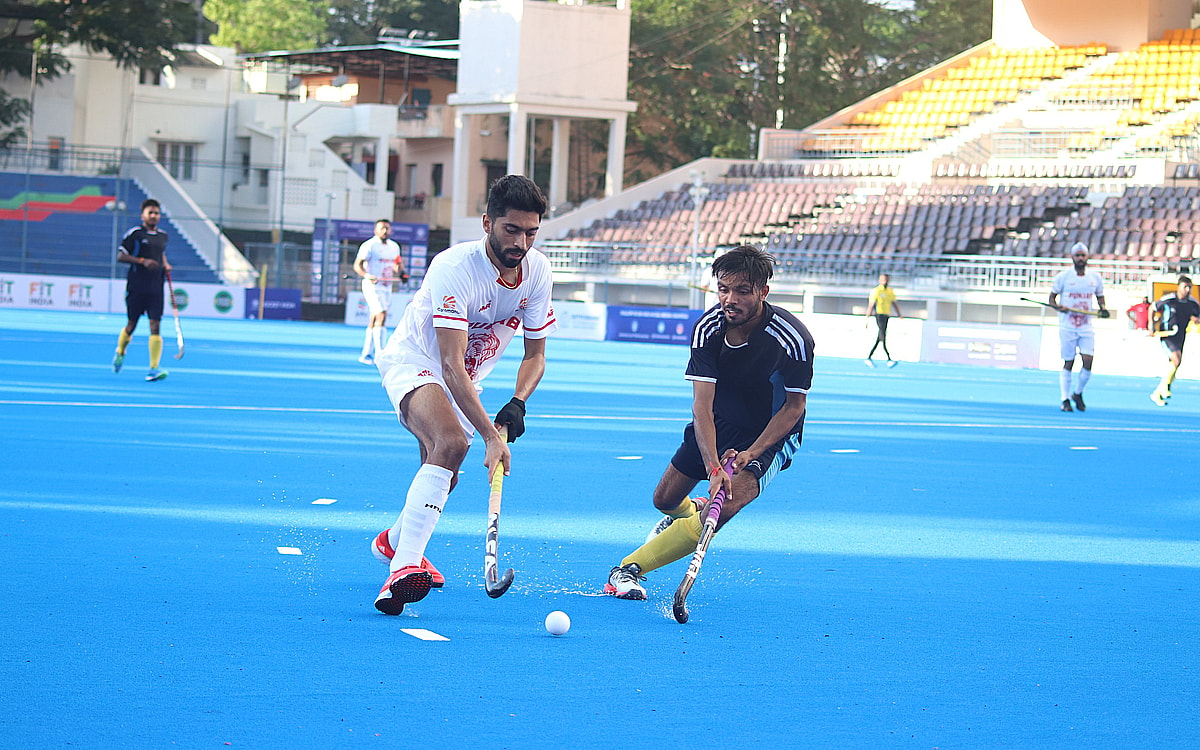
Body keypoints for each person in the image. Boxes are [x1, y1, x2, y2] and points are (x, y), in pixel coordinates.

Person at [368, 175, 557, 615]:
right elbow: (450, 364)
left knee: (444, 473)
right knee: (454, 442)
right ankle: (403, 566)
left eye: (531, 232)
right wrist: (491, 433)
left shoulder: (538, 272)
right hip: (416, 362)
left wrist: (518, 402)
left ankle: (394, 541)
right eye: (512, 230)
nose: (522, 242)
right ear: (488, 222)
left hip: (465, 379)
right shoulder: (454, 268)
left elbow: (536, 354)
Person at [604, 244, 815, 601]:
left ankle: (626, 570)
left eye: (742, 291)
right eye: (723, 288)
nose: (730, 299)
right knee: (664, 499)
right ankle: (686, 516)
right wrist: (714, 465)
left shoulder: (793, 338)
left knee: (727, 504)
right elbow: (701, 407)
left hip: (770, 432)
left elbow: (793, 408)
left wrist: (751, 453)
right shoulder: (708, 328)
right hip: (719, 420)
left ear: (763, 292)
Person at [111, 198, 172, 382]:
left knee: (155, 325)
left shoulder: (163, 236)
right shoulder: (135, 234)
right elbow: (121, 256)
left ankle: (153, 368)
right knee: (132, 325)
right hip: (137, 286)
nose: (154, 216)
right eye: (150, 213)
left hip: (156, 287)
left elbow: (160, 253)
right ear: (143, 215)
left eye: (156, 213)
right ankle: (120, 351)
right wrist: (142, 261)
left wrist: (165, 264)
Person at [1049, 242, 1109, 412]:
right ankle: (1065, 399)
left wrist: (1103, 309)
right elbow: (1052, 299)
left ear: (1087, 257)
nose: (1081, 258)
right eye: (1078, 255)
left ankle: (1078, 392)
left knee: (1088, 360)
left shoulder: (1094, 278)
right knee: (1069, 362)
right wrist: (1058, 306)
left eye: (1083, 255)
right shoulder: (1063, 277)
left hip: (1086, 326)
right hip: (1067, 326)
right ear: (1073, 257)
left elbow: (1100, 296)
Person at [353, 218, 408, 365]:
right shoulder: (369, 245)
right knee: (382, 314)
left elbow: (397, 264)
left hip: (386, 286)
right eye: (382, 228)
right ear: (376, 230)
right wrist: (367, 275)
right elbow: (357, 265)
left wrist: (402, 273)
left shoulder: (394, 246)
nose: (385, 231)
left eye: (387, 228)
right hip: (372, 286)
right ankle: (380, 354)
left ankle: (365, 354)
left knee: (374, 318)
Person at [1150, 276, 1200, 406]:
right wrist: (1151, 325)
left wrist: (1196, 320)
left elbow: (1197, 316)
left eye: (1190, 287)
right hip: (1167, 334)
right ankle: (1166, 387)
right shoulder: (1169, 300)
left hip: (1181, 336)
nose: (1188, 290)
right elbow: (1152, 308)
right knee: (1176, 359)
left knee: (1175, 363)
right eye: (1185, 287)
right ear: (1178, 287)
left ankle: (1158, 392)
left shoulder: (1193, 303)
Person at [864, 273, 902, 368]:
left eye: (886, 279)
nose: (885, 281)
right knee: (882, 335)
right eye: (883, 279)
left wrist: (899, 314)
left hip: (886, 315)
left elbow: (894, 303)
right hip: (879, 315)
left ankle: (869, 357)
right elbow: (871, 304)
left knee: (880, 337)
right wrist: (867, 318)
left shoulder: (890, 291)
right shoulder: (876, 291)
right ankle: (888, 359)